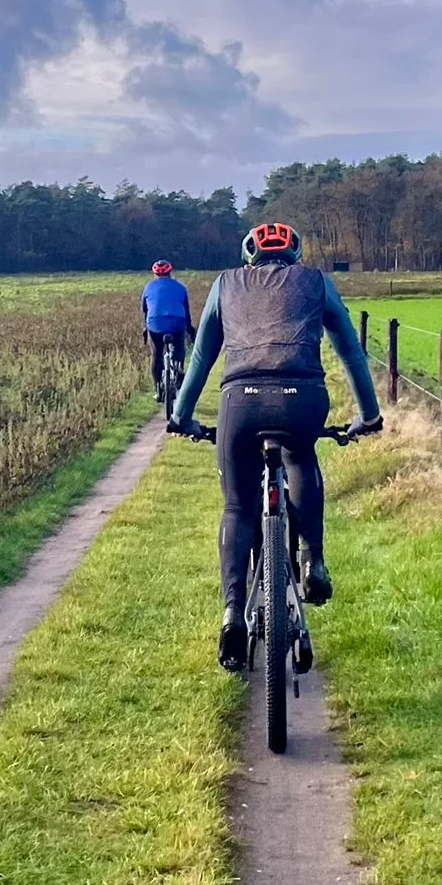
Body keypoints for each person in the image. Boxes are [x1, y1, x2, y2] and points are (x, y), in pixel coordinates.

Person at [168, 222, 383, 672]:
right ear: (295, 255)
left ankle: (232, 612)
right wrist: (370, 414)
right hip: (302, 398)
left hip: (240, 401)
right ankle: (315, 562)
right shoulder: (318, 282)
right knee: (301, 456)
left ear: (250, 257)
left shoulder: (226, 284)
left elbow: (204, 355)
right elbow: (350, 352)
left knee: (236, 508)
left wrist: (181, 415)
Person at [140, 260, 193, 392]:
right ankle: (178, 368)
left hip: (155, 323)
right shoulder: (180, 287)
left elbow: (145, 310)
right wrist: (190, 328)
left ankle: (158, 388)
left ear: (155, 274)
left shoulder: (148, 287)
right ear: (170, 272)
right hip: (177, 322)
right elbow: (186, 311)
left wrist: (145, 328)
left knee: (157, 355)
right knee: (179, 348)